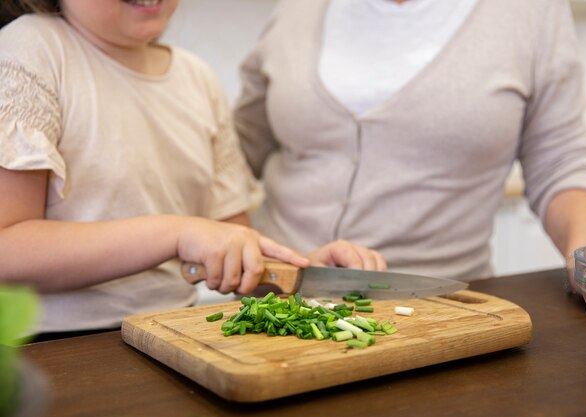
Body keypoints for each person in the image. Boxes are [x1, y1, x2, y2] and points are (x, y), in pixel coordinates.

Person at [0, 0, 386, 338]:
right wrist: (179, 233)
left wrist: (299, 270)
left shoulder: (197, 78)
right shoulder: (31, 49)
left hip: (176, 334)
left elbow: (236, 253)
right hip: (49, 346)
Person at [234, 0, 586, 292]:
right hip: (275, 300)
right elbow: (235, 150)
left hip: (438, 311)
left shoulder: (530, 11)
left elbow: (560, 160)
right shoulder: (298, 8)